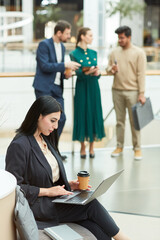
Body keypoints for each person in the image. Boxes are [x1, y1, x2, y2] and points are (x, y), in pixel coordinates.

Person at [5, 96, 130, 240]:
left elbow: (47, 174)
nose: (56, 126)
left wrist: (69, 185)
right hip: (38, 206)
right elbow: (15, 189)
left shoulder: (45, 138)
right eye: (53, 121)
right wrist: (48, 191)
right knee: (91, 205)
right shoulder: (20, 146)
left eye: (57, 121)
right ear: (39, 116)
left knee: (94, 225)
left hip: (53, 200)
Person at [33, 20, 80, 139]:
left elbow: (57, 68)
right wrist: (65, 65)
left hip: (57, 88)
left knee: (61, 118)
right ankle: (41, 149)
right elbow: (44, 66)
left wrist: (65, 75)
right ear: (59, 33)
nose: (69, 36)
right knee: (44, 120)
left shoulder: (62, 47)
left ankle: (52, 147)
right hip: (44, 88)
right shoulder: (44, 44)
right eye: (67, 34)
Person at [106, 26, 146, 160]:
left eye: (122, 37)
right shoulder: (114, 52)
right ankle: (119, 146)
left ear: (129, 37)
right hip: (117, 91)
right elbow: (107, 69)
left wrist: (141, 93)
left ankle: (137, 148)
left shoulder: (139, 53)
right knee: (119, 122)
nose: (120, 40)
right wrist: (112, 69)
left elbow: (141, 74)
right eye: (118, 37)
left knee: (135, 122)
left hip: (133, 92)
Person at [69, 27, 105, 158]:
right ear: (82, 36)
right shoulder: (74, 54)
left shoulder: (94, 53)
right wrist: (89, 72)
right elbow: (79, 74)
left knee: (94, 113)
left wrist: (97, 73)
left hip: (94, 87)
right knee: (82, 114)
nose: (92, 38)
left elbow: (96, 73)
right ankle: (82, 147)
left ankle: (92, 146)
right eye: (90, 35)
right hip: (82, 88)